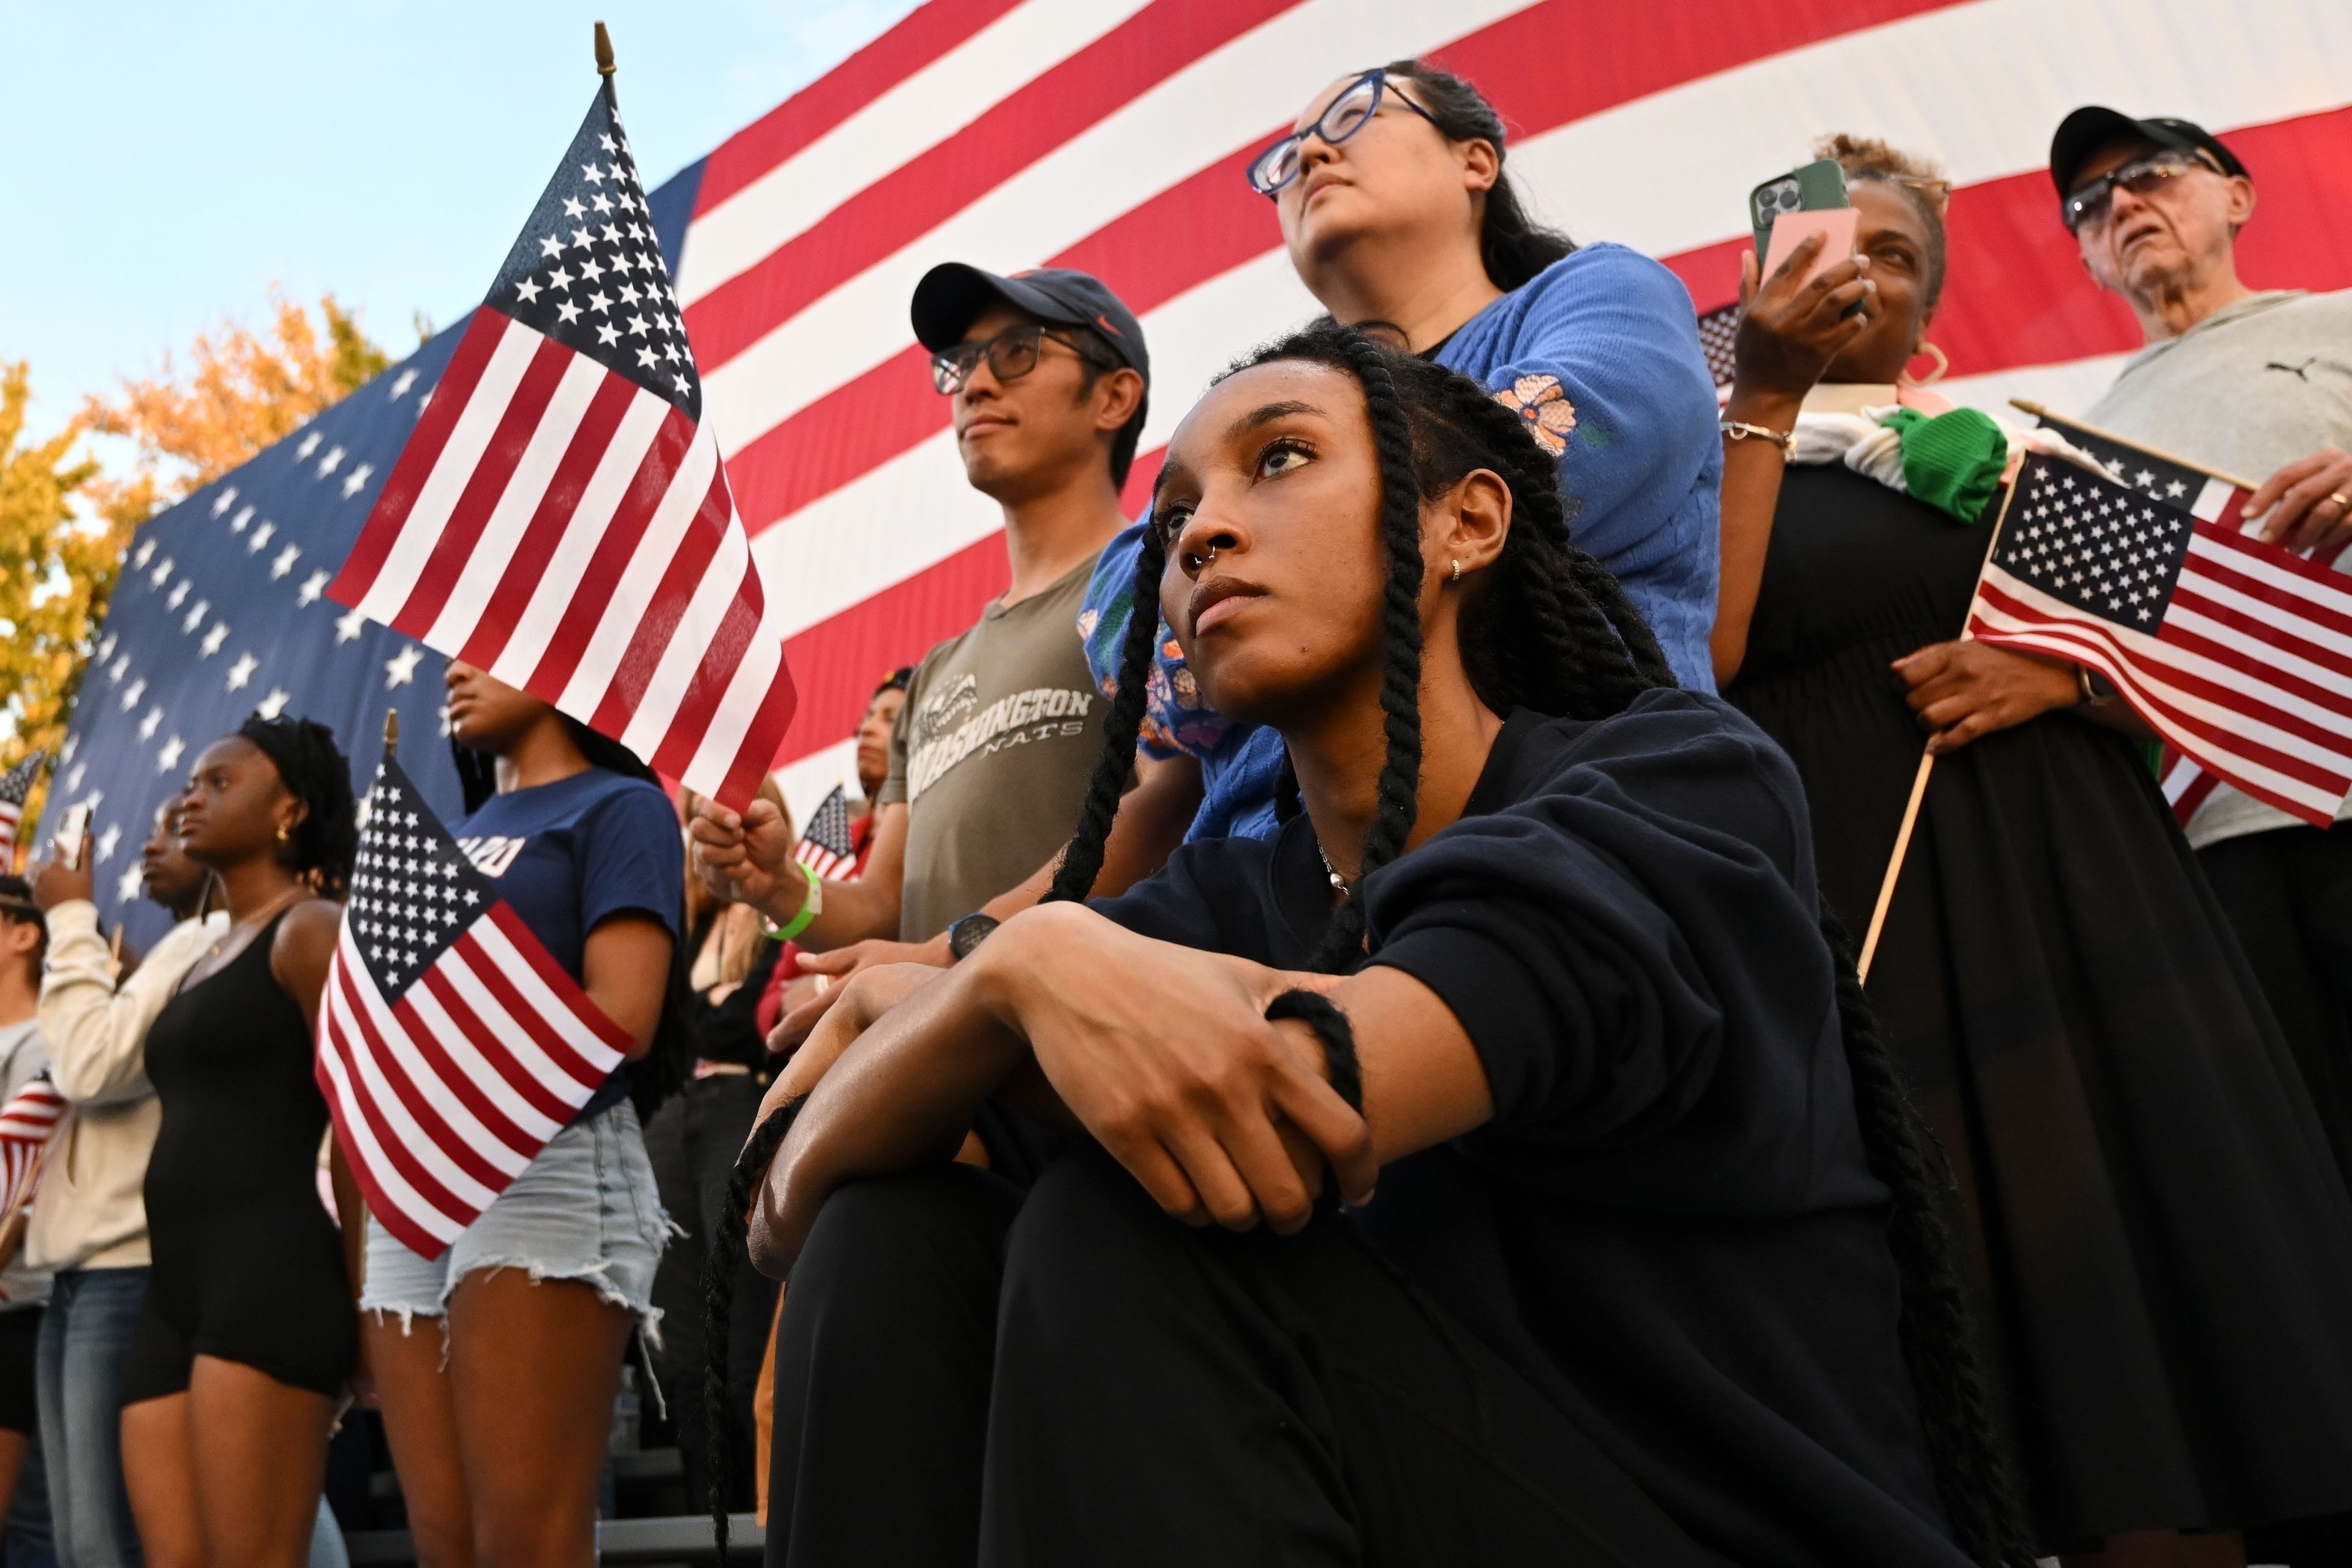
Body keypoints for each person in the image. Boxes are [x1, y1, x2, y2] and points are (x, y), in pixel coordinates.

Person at [710, 323, 2032, 1567]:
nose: (1205, 530)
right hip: (1398, 1493)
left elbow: (1306, 1099)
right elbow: (785, 1193)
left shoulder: (1677, 785)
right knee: (897, 1236)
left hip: (1703, 1525)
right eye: (1172, 522)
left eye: (1280, 459)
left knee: (1138, 1217)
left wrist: (1012, 974)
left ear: (1467, 522)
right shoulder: (1228, 893)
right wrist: (1011, 975)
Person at [1716, 135, 2352, 1565]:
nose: (1855, 275)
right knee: (1939, 1318)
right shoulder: (1702, 447)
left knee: (2136, 1331)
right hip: (1867, 917)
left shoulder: (2013, 444)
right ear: (1755, 281)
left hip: (2082, 906)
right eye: (1822, 251)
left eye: (1890, 257)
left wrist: (2056, 677)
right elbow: (1703, 647)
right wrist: (1757, 392)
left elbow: (2187, 651)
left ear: (1928, 312)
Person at [1079, 59, 1722, 842]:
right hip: (1259, 883)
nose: (1311, 156)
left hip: (1574, 822)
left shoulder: (1602, 293)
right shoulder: (1247, 405)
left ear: (1475, 160)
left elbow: (1598, 430)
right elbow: (1118, 612)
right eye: (1287, 157)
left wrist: (1261, 614)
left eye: (1355, 116)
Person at [691, 267, 1199, 1044]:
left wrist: (952, 953)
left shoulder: (1154, 583)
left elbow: (1175, 803)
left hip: (1096, 1063)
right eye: (962, 363)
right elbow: (882, 904)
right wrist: (781, 888)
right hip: (932, 1074)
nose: (976, 384)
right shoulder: (929, 676)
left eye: (1019, 352)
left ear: (1114, 398)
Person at [2050, 105, 2352, 1180]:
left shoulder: (2337, 323)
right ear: (2086, 256)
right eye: (2091, 204)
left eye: (2151, 174)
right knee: (2309, 1161)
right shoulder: (2065, 447)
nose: (2122, 204)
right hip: (2210, 844)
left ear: (2236, 195)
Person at [359, 659, 680, 1568]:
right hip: (416, 1186)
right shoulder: (450, 831)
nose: (456, 666)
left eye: (489, 644)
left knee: (524, 1547)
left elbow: (622, 1019)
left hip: (544, 1160)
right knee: (447, 1547)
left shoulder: (620, 807)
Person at [116, 715, 354, 1568]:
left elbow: (360, 1134)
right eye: (191, 782)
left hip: (271, 1277)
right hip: (169, 1290)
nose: (191, 797)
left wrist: (364, 1310)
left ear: (290, 808)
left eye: (221, 782)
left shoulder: (312, 930)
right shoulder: (199, 960)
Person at [31, 803, 219, 1568]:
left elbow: (90, 1065)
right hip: (75, 1271)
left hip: (128, 1265)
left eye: (179, 824)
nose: (152, 839)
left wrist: (72, 914)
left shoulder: (211, 943)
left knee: (115, 1540)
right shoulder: (181, 946)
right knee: (81, 1541)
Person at [647, 781, 786, 1516]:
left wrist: (716, 1015)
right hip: (673, 1121)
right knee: (684, 1358)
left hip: (742, 1109)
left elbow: (750, 1028)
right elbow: (674, 1025)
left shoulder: (790, 904)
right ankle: (707, 1535)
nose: (710, 819)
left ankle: (759, 1527)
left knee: (739, 1344)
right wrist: (713, 1010)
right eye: (695, 809)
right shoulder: (688, 926)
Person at [752, 669, 910, 1042]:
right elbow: (771, 999)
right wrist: (790, 1004)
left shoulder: (929, 842)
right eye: (868, 716)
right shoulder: (833, 845)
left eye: (890, 719)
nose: (867, 728)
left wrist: (824, 985)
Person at [0, 877, 55, 1564]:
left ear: (23, 933)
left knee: (32, 1526)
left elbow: (25, 1180)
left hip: (19, 1311)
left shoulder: (44, 1040)